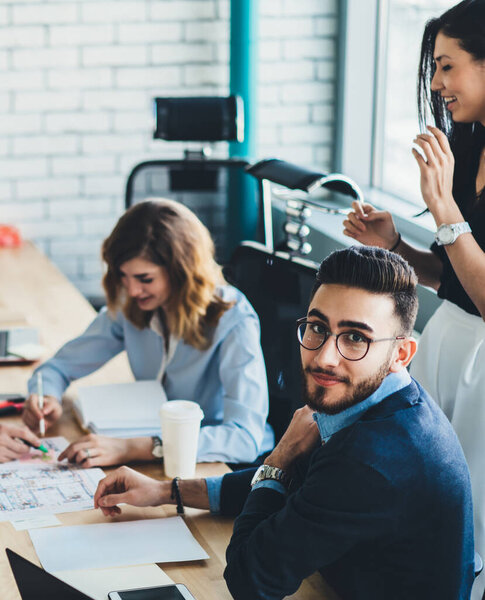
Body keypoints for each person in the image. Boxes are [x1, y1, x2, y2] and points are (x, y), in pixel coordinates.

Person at [93, 246, 475, 600]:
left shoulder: (374, 457)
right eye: (318, 327)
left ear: (401, 353)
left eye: (356, 338)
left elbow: (249, 579)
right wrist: (166, 491)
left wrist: (280, 455)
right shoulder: (383, 398)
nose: (325, 357)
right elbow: (307, 486)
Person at [343, 2, 485, 597]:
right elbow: (457, 277)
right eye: (433, 68)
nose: (435, 84)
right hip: (449, 336)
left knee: (471, 521)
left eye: (447, 66)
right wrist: (397, 245)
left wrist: (445, 207)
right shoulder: (469, 142)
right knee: (423, 495)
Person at [22, 199, 272, 465]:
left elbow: (245, 438)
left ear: (181, 271)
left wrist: (134, 448)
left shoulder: (233, 319)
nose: (132, 291)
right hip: (153, 447)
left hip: (219, 462)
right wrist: (45, 395)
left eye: (145, 279)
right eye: (123, 276)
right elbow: (57, 367)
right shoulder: (133, 306)